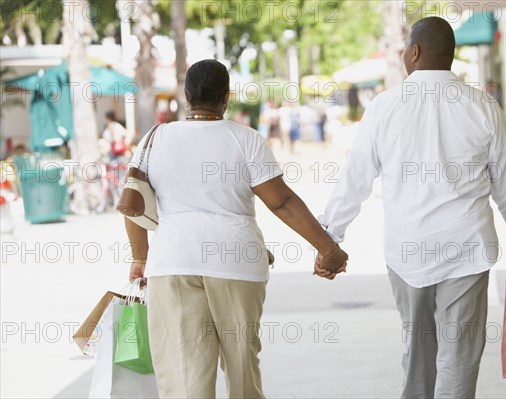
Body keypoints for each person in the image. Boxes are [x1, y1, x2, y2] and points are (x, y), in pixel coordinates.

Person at [315, 17, 506, 398]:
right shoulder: (482, 105)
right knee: (460, 358)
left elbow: (354, 179)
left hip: (407, 249)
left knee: (417, 349)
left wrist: (329, 241)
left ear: (414, 52)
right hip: (467, 248)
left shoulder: (384, 106)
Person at [124, 59, 347, 399]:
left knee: (185, 382)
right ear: (226, 97)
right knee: (243, 376)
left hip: (173, 264)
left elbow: (132, 205)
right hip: (236, 263)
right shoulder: (246, 140)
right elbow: (281, 202)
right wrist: (328, 249)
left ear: (186, 96)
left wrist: (140, 258)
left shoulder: (155, 139)